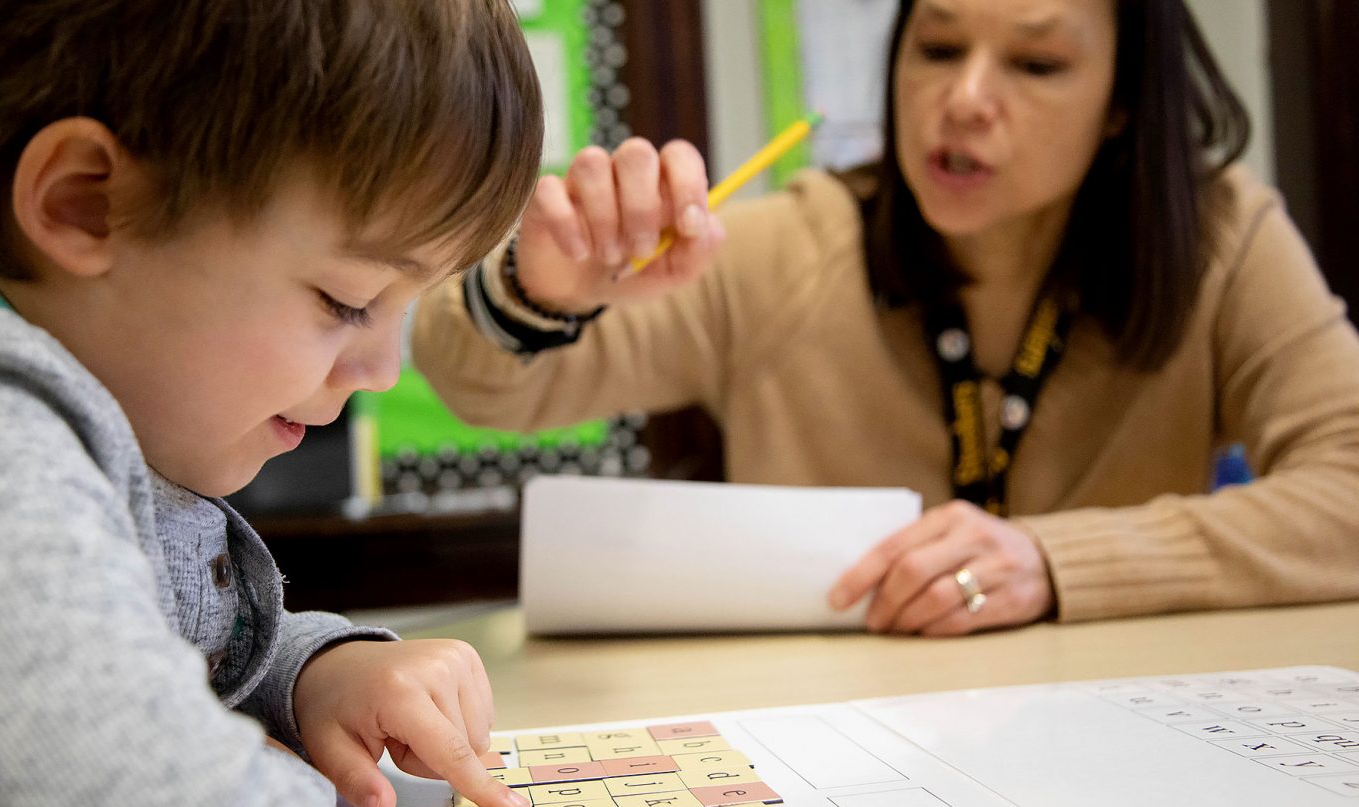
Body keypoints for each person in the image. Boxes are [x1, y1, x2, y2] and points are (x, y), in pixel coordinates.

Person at [0, 0, 541, 807]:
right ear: (87, 205)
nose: (382, 370)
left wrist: (304, 674)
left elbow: (119, 646)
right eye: (346, 299)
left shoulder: (68, 387)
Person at [413, 0, 1359, 637]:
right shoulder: (789, 245)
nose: (964, 101)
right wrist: (536, 292)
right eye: (938, 48)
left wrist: (1058, 563)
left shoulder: (1219, 240)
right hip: (834, 755)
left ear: (1121, 103)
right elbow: (475, 379)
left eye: (1035, 63)